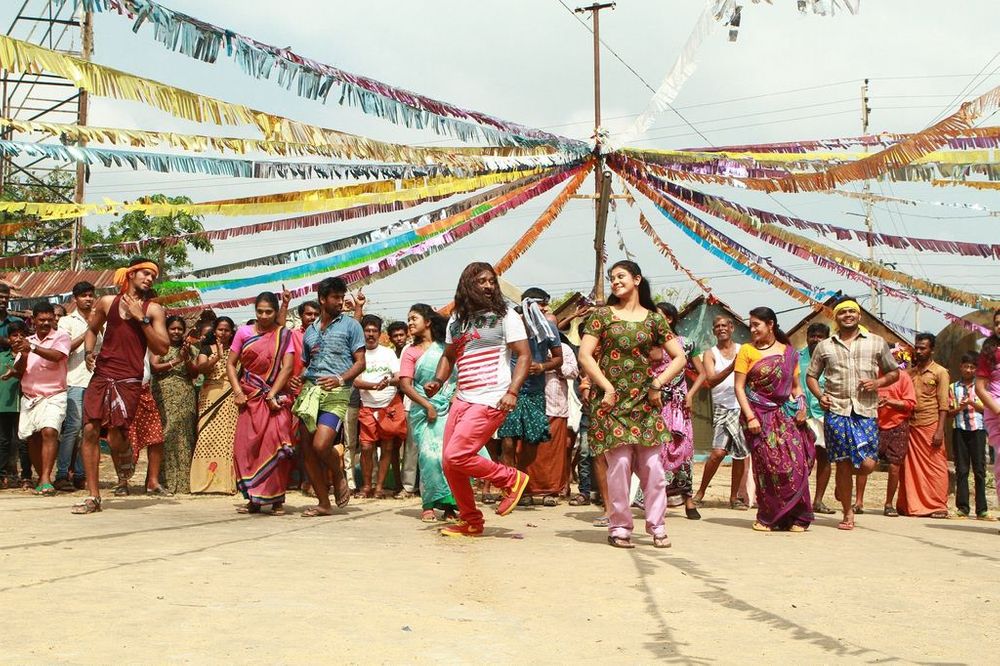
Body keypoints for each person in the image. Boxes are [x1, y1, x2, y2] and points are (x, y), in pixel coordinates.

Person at [578, 260, 685, 549]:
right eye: (612, 277)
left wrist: (657, 384)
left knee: (653, 467)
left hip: (644, 401)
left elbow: (679, 357)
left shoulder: (654, 320)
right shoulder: (602, 316)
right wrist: (606, 387)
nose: (615, 281)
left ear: (637, 279)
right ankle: (620, 527)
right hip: (611, 401)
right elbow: (585, 355)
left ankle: (657, 525)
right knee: (620, 465)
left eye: (621, 276)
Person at [423, 262, 533, 537]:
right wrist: (437, 380)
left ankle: (511, 478)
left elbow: (524, 355)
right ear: (467, 285)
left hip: (493, 397)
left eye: (491, 281)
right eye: (481, 281)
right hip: (462, 398)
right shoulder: (456, 320)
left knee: (457, 455)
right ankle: (471, 521)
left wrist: (512, 391)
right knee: (450, 463)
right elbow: (449, 357)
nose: (488, 286)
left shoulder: (506, 316)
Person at [74, 258, 170, 514]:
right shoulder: (107, 302)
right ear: (130, 274)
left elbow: (162, 347)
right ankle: (93, 496)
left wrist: (142, 319)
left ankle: (125, 450)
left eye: (153, 275)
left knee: (117, 434)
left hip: (130, 378)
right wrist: (88, 353)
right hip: (103, 373)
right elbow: (92, 329)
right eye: (145, 273)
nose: (149, 279)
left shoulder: (153, 310)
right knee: (90, 429)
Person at [806, 298, 898, 530]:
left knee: (868, 464)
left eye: (851, 311)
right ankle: (848, 513)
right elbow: (811, 376)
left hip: (866, 411)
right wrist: (820, 396)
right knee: (843, 462)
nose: (847, 315)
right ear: (836, 317)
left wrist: (878, 383)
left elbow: (893, 372)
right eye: (842, 312)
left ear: (859, 316)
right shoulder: (825, 346)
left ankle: (843, 482)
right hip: (836, 410)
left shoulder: (876, 342)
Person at [733, 307, 815, 532]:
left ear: (770, 325)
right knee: (768, 467)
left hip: (785, 416)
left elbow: (797, 388)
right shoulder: (747, 351)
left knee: (796, 464)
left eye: (756, 325)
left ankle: (798, 517)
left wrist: (802, 408)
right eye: (750, 325)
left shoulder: (790, 354)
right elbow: (739, 387)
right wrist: (750, 416)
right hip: (757, 417)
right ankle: (769, 517)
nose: (752, 329)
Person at [292, 276, 366, 517]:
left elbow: (361, 363)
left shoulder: (352, 326)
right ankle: (323, 503)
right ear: (322, 299)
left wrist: (340, 379)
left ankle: (338, 472)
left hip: (337, 393)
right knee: (307, 449)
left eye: (342, 297)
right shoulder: (310, 331)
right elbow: (308, 364)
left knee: (321, 445)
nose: (340, 301)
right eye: (335, 297)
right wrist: (299, 378)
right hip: (310, 392)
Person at [228, 292, 299, 515]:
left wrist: (272, 393)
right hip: (249, 398)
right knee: (247, 448)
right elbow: (231, 364)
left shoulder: (283, 335)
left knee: (276, 446)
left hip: (275, 400)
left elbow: (288, 367)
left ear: (276, 312)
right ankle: (254, 498)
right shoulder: (243, 332)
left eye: (269, 312)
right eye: (260, 311)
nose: (264, 316)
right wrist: (237, 392)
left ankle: (277, 500)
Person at [398, 303, 461, 522]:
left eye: (413, 318)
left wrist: (453, 399)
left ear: (428, 321)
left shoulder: (446, 348)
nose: (409, 323)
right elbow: (405, 385)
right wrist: (428, 406)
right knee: (428, 457)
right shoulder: (410, 351)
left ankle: (450, 506)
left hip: (449, 408)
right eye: (408, 319)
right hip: (422, 411)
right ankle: (428, 505)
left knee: (447, 458)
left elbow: (457, 377)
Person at [499, 289, 563, 500]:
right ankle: (511, 488)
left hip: (535, 391)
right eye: (542, 304)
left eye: (546, 305)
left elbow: (559, 359)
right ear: (529, 304)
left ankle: (524, 485)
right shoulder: (511, 324)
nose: (546, 309)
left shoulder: (549, 327)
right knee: (508, 439)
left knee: (532, 441)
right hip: (511, 391)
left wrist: (542, 366)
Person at [8, 302, 71, 496]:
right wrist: (20, 360)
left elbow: (57, 356)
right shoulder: (27, 340)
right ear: (33, 320)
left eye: (49, 320)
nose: (45, 323)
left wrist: (32, 348)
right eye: (41, 320)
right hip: (30, 396)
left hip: (54, 394)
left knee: (49, 431)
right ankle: (42, 478)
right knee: (33, 437)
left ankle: (45, 479)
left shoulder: (61, 336)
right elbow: (20, 369)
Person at [692, 315, 749, 509]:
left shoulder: (743, 349)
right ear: (713, 331)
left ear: (732, 328)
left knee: (739, 454)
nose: (721, 328)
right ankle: (701, 492)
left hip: (741, 407)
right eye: (717, 326)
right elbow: (711, 381)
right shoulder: (710, 353)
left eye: (724, 325)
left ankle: (734, 498)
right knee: (717, 453)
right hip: (722, 408)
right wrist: (733, 367)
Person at [653, 302, 703, 520]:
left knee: (684, 450)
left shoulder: (687, 344)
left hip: (679, 405)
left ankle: (689, 501)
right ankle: (657, 501)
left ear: (669, 319)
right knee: (658, 452)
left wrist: (690, 395)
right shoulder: (649, 344)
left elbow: (702, 373)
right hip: (656, 403)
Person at [856, 346, 915, 517]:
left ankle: (889, 504)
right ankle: (858, 502)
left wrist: (890, 402)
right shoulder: (871, 375)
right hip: (872, 423)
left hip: (898, 425)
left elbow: (910, 403)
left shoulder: (903, 377)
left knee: (895, 466)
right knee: (865, 463)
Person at [898, 333, 950, 518]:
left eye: (923, 348)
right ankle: (911, 505)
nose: (919, 351)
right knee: (910, 468)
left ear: (932, 350)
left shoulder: (940, 372)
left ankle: (938, 506)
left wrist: (940, 430)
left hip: (930, 424)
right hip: (910, 425)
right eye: (917, 348)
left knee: (936, 467)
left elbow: (944, 404)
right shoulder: (909, 373)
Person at [353, 314, 405, 499]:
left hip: (389, 405)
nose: (370, 334)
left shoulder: (388, 353)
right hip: (367, 406)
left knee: (388, 447)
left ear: (379, 333)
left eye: (374, 330)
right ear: (362, 332)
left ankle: (379, 487)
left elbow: (399, 377)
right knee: (366, 447)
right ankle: (367, 486)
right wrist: (375, 385)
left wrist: (388, 382)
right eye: (367, 330)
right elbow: (356, 382)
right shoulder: (357, 354)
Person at [54, 281, 99, 491]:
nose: (88, 299)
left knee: (89, 430)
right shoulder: (66, 321)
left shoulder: (101, 319)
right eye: (84, 296)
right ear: (75, 299)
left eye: (91, 295)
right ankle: (62, 473)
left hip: (96, 381)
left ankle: (81, 474)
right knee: (73, 428)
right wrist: (89, 330)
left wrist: (96, 325)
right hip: (75, 380)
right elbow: (65, 349)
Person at [525, 336, 578, 506]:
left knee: (553, 453)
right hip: (530, 404)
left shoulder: (565, 349)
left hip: (556, 406)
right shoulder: (527, 346)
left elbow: (574, 372)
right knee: (528, 451)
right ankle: (527, 491)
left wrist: (554, 363)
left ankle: (551, 492)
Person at [150, 316, 199, 495]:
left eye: (180, 329)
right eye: (173, 328)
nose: (176, 332)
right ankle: (162, 481)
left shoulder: (191, 349)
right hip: (163, 393)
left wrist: (186, 359)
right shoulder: (159, 346)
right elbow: (154, 367)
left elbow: (194, 373)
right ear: (166, 330)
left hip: (185, 393)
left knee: (184, 435)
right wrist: (176, 360)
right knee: (166, 433)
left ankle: (184, 482)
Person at [190, 316, 239, 494]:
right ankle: (202, 482)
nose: (223, 333)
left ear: (231, 332)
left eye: (227, 330)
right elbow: (201, 368)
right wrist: (217, 356)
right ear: (215, 331)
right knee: (205, 435)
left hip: (230, 395)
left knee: (227, 437)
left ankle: (225, 483)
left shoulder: (236, 349)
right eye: (220, 329)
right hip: (210, 394)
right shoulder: (206, 348)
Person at [949, 352, 990, 520]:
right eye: (966, 366)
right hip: (959, 430)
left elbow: (988, 409)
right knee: (962, 470)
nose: (968, 370)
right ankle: (963, 508)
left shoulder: (982, 387)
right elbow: (949, 411)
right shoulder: (953, 387)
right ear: (961, 367)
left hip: (978, 430)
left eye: (972, 367)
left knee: (979, 470)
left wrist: (972, 403)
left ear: (976, 369)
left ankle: (982, 510)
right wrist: (960, 408)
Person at [799, 323, 835, 515]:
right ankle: (798, 499)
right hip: (801, 415)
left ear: (827, 338)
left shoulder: (833, 358)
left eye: (820, 336)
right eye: (812, 336)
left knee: (824, 457)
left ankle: (818, 501)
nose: (816, 339)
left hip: (825, 414)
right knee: (801, 459)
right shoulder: (796, 357)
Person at [975, 309, 1000, 517]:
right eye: (997, 323)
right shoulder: (989, 352)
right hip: (997, 410)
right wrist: (998, 409)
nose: (999, 326)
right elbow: (980, 388)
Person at [0, 320, 26, 489]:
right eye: (14, 335)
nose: (18, 338)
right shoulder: (2, 358)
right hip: (4, 406)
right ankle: (2, 475)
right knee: (3, 441)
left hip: (25, 405)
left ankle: (25, 476)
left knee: (22, 442)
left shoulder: (30, 357)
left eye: (22, 335)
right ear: (8, 338)